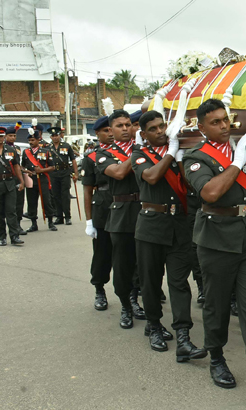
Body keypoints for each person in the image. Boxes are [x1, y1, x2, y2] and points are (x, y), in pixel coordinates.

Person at [183, 98, 246, 405]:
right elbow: (210, 192)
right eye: (215, 122)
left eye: (225, 119)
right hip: (216, 239)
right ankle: (217, 358)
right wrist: (237, 161)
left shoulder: (242, 151)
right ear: (201, 127)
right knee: (216, 304)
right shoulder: (196, 156)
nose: (223, 125)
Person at [131, 111, 206, 362]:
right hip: (151, 227)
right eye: (153, 129)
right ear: (143, 134)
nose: (161, 131)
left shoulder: (178, 154)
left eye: (163, 126)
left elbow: (190, 185)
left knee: (179, 282)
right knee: (151, 282)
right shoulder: (139, 155)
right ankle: (154, 325)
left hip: (178, 226)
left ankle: (183, 336)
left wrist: (180, 156)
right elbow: (152, 177)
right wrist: (172, 153)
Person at [96, 110, 146, 330]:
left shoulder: (145, 147)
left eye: (128, 124)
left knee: (142, 263)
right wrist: (136, 152)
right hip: (121, 212)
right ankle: (125, 304)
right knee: (123, 263)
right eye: (120, 126)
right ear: (111, 130)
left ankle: (135, 299)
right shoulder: (102, 153)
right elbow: (118, 173)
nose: (126, 129)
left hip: (145, 209)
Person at [83, 116, 113, 311]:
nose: (110, 133)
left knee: (129, 255)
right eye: (106, 131)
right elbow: (87, 190)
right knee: (102, 253)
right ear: (98, 134)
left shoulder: (127, 154)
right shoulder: (92, 157)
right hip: (103, 208)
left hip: (127, 207)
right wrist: (89, 220)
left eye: (112, 129)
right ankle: (99, 289)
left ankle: (132, 292)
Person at [0, 126, 24, 246]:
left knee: (11, 211)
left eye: (1, 136)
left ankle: (14, 236)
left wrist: (21, 181)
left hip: (10, 184)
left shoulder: (11, 149)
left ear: (4, 137)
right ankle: (2, 237)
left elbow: (16, 166)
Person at [22, 129, 58, 233]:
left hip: (42, 178)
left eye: (33, 140)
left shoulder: (46, 152)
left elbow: (52, 167)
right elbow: (22, 166)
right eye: (29, 140)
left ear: (38, 140)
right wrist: (25, 171)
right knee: (31, 202)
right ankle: (34, 224)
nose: (31, 142)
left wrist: (41, 170)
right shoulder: (26, 152)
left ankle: (50, 222)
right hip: (31, 179)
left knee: (46, 201)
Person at [47, 127, 77, 225]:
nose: (55, 138)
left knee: (65, 195)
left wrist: (76, 173)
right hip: (53, 174)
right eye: (53, 136)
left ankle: (68, 217)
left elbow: (73, 160)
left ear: (60, 135)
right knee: (56, 196)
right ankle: (59, 217)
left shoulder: (66, 146)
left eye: (57, 135)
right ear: (51, 137)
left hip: (64, 172)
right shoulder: (48, 148)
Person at [5, 123, 26, 235]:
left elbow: (18, 164)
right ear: (6, 136)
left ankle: (18, 224)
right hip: (6, 179)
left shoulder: (17, 148)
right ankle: (4, 225)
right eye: (10, 136)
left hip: (17, 178)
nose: (12, 138)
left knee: (19, 202)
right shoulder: (1, 148)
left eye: (14, 136)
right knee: (7, 204)